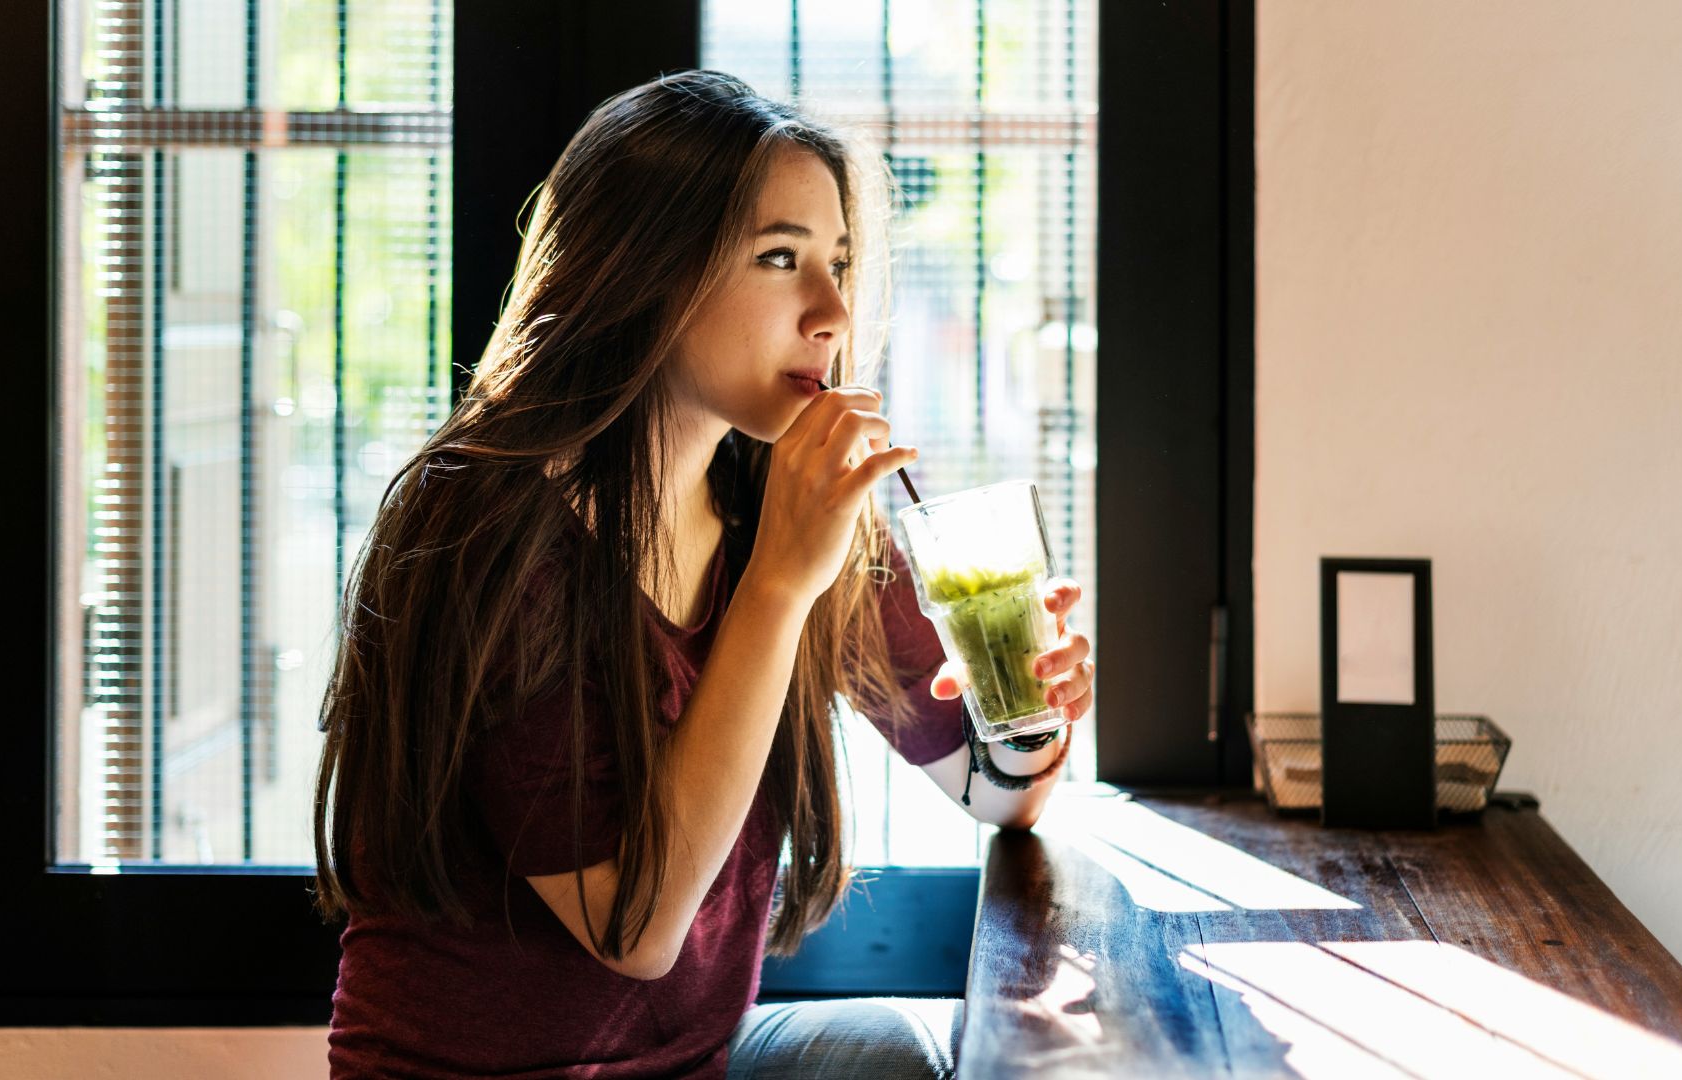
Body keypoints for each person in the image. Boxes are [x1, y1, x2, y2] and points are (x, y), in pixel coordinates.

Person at [313, 69, 1096, 1080]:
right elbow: (636, 930)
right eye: (780, 259)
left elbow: (994, 795)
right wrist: (775, 587)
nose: (832, 313)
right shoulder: (486, 529)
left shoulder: (778, 500)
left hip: (693, 1066)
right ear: (648, 274)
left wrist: (1030, 706)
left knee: (897, 1057)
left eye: (841, 263)